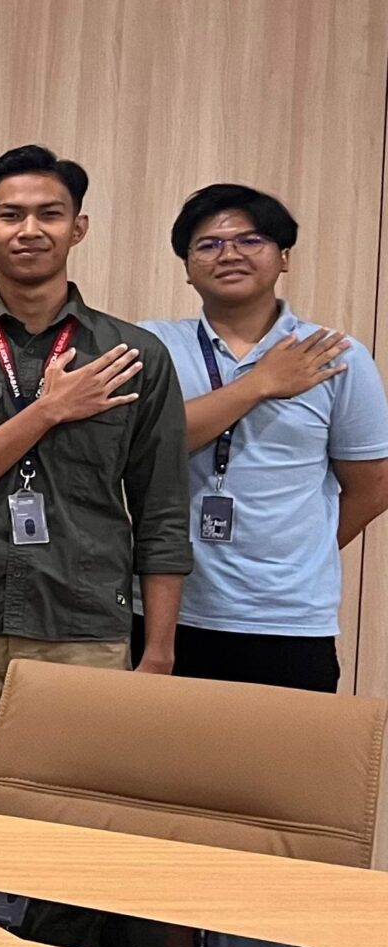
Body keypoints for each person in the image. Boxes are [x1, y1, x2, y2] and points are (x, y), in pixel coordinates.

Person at [0, 145, 191, 808]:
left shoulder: (132, 355)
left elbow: (163, 510)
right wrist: (47, 412)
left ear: (77, 228)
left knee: (68, 822)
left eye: (49, 214)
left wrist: (160, 650)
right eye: (11, 215)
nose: (29, 229)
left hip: (84, 623)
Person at [141, 184, 388, 691]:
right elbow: (146, 444)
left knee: (282, 747)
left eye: (250, 240)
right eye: (208, 244)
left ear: (284, 257)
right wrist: (261, 384)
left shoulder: (334, 356)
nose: (229, 254)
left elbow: (373, 486)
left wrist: (307, 553)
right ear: (187, 268)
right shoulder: (154, 345)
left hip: (289, 621)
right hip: (163, 613)